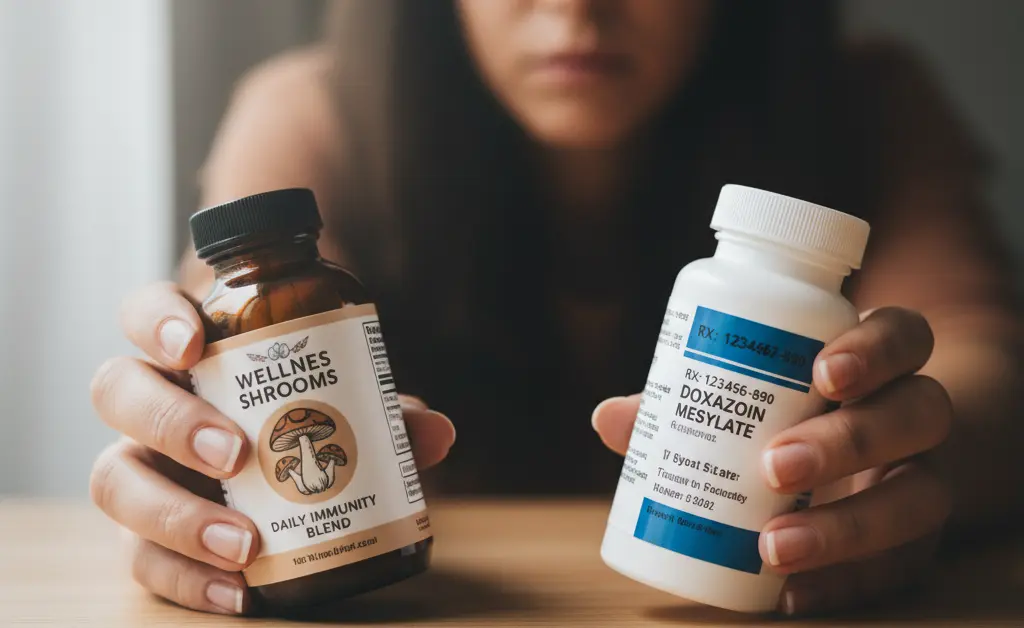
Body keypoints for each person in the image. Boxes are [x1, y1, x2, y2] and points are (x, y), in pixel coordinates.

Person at [88, 0, 1022, 617]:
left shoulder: (865, 103)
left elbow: (985, 364)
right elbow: (214, 363)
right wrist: (187, 453)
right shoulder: (316, 111)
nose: (577, 11)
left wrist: (901, 453)